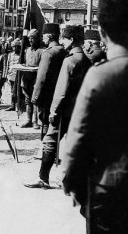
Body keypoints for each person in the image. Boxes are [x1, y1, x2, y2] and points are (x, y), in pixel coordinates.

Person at [62, 0, 128, 233]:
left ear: (100, 31)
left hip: (106, 195)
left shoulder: (99, 75)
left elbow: (78, 139)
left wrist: (73, 185)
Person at [23, 25, 91, 189]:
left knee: (50, 141)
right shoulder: (87, 60)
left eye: (64, 39)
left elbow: (61, 91)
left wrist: (54, 110)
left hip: (64, 110)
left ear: (72, 40)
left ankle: (43, 178)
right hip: (79, 110)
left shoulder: (70, 60)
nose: (62, 42)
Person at [31, 23, 67, 138]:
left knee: (46, 123)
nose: (42, 38)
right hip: (60, 93)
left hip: (47, 95)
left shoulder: (48, 53)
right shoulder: (64, 51)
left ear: (49, 36)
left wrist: (35, 96)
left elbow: (42, 78)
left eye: (44, 36)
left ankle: (45, 150)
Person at [17, 29, 43, 128]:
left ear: (37, 38)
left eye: (33, 38)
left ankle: (35, 121)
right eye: (29, 38)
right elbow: (24, 63)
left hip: (36, 79)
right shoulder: (26, 50)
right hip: (26, 78)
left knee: (35, 100)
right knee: (27, 100)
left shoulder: (42, 51)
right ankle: (28, 120)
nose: (31, 40)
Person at [4, 38, 21, 111]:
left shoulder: (21, 54)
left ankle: (17, 106)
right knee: (12, 91)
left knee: (17, 91)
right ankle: (12, 105)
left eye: (15, 47)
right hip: (11, 75)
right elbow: (8, 65)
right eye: (13, 47)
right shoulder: (10, 54)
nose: (14, 48)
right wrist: (7, 74)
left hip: (18, 75)